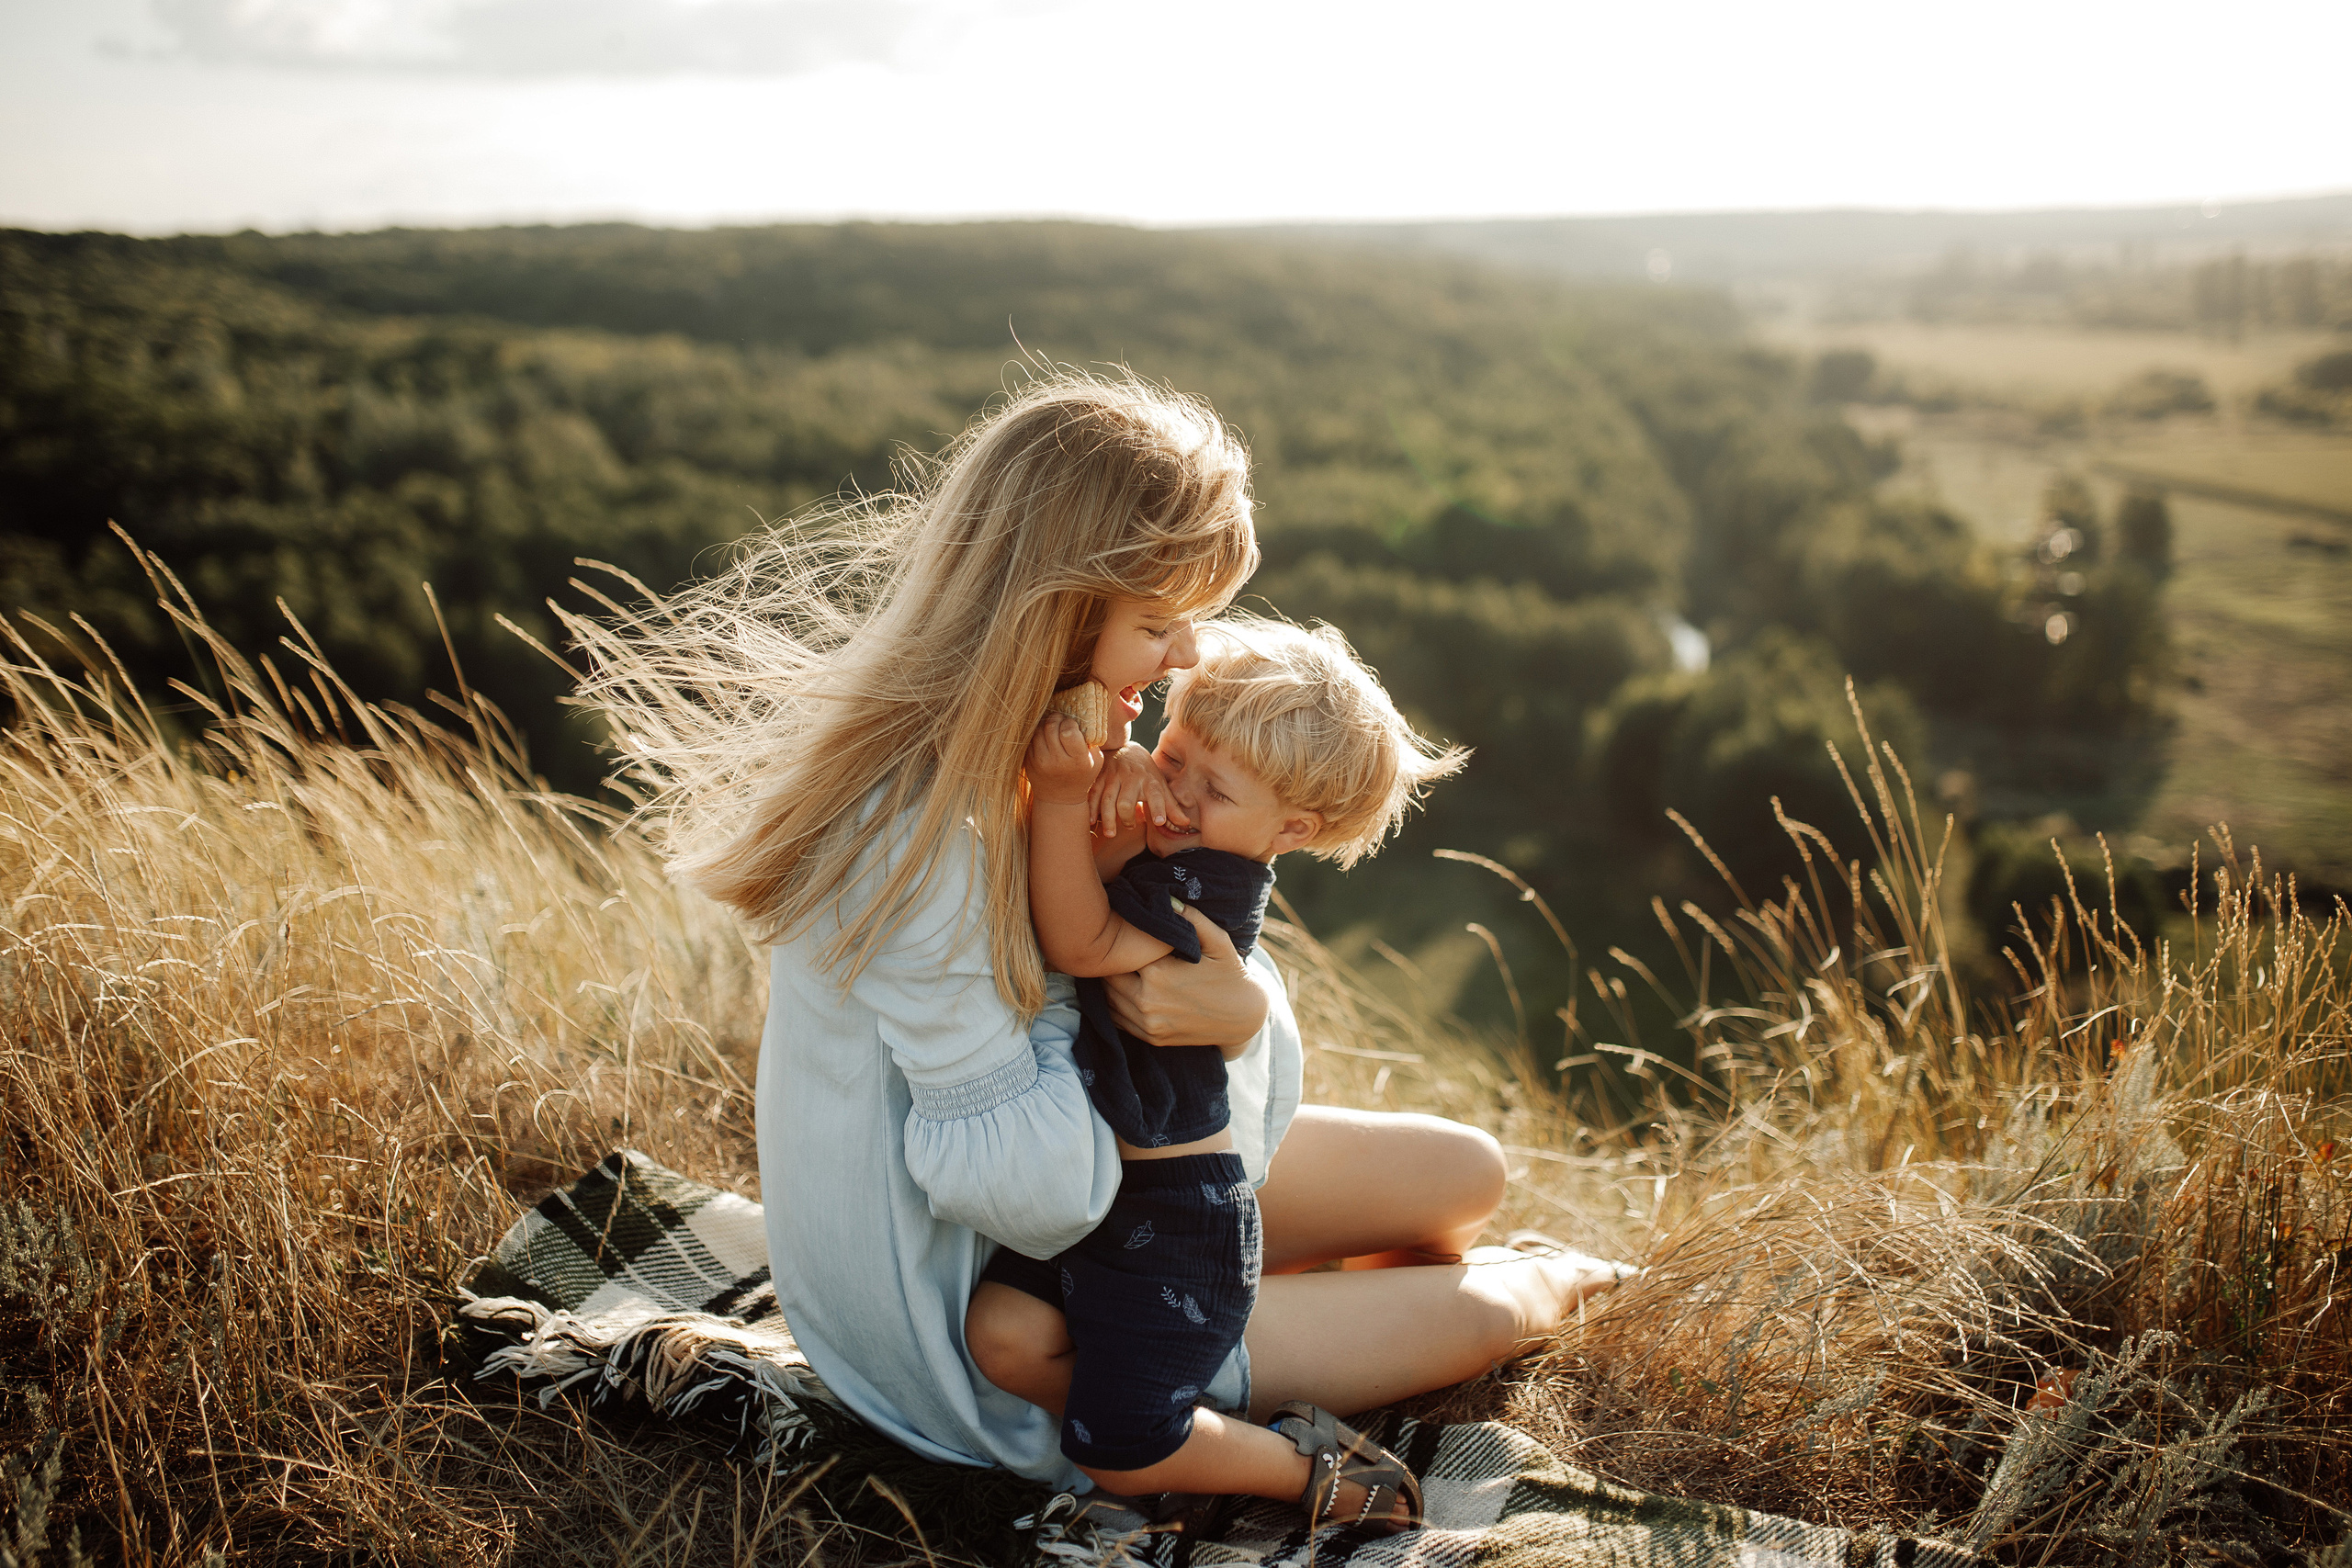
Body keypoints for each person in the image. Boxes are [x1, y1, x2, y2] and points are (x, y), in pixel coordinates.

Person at [582, 371, 1633, 1536]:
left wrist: (1218, 994)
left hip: (1119, 1189)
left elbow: (1215, 1052)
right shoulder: (918, 836)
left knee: (1465, 1174)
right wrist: (1155, 958)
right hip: (998, 1322)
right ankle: (1513, 1300)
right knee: (1500, 1300)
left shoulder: (1012, 747)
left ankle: (1299, 1317)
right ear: (1049, 607)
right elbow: (1040, 1195)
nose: (1186, 653)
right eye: (1154, 622)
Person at [971, 617, 1466, 1522]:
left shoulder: (1207, 890)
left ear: (1288, 831)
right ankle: (1157, 1394)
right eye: (1173, 757)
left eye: (1216, 790)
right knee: (1003, 1336)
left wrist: (1059, 798)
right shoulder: (1186, 845)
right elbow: (1107, 853)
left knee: (1121, 1456)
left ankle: (1310, 1473)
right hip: (1096, 1190)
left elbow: (1077, 935)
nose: (1180, 797)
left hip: (1176, 1216)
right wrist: (1118, 779)